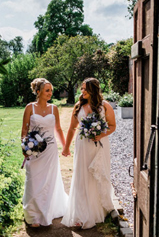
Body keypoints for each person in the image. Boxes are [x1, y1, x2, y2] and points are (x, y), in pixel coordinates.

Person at [61, 78, 117, 229]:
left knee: (98, 175)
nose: (82, 91)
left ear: (93, 90)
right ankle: (81, 213)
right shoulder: (78, 106)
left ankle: (99, 209)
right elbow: (72, 128)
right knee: (82, 176)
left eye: (85, 88)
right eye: (82, 88)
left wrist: (101, 135)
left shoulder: (105, 106)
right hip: (83, 146)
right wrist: (66, 148)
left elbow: (112, 126)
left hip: (100, 146)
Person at [20, 78, 68, 227]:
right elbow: (24, 130)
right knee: (33, 180)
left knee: (48, 181)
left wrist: (65, 146)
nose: (50, 93)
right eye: (47, 90)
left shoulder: (54, 108)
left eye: (51, 90)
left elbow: (58, 129)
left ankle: (46, 213)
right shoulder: (30, 108)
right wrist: (25, 148)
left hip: (50, 150)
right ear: (38, 92)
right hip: (34, 151)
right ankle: (33, 215)